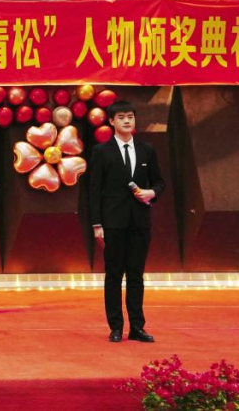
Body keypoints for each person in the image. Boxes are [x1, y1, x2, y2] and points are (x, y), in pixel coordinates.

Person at [88, 100, 165, 343]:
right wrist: (97, 224)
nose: (127, 121)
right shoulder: (102, 151)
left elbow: (159, 182)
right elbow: (94, 190)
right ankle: (116, 327)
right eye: (121, 117)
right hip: (112, 222)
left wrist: (151, 193)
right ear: (111, 121)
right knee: (114, 275)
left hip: (139, 222)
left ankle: (137, 327)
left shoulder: (146, 150)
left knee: (136, 275)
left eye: (130, 116)